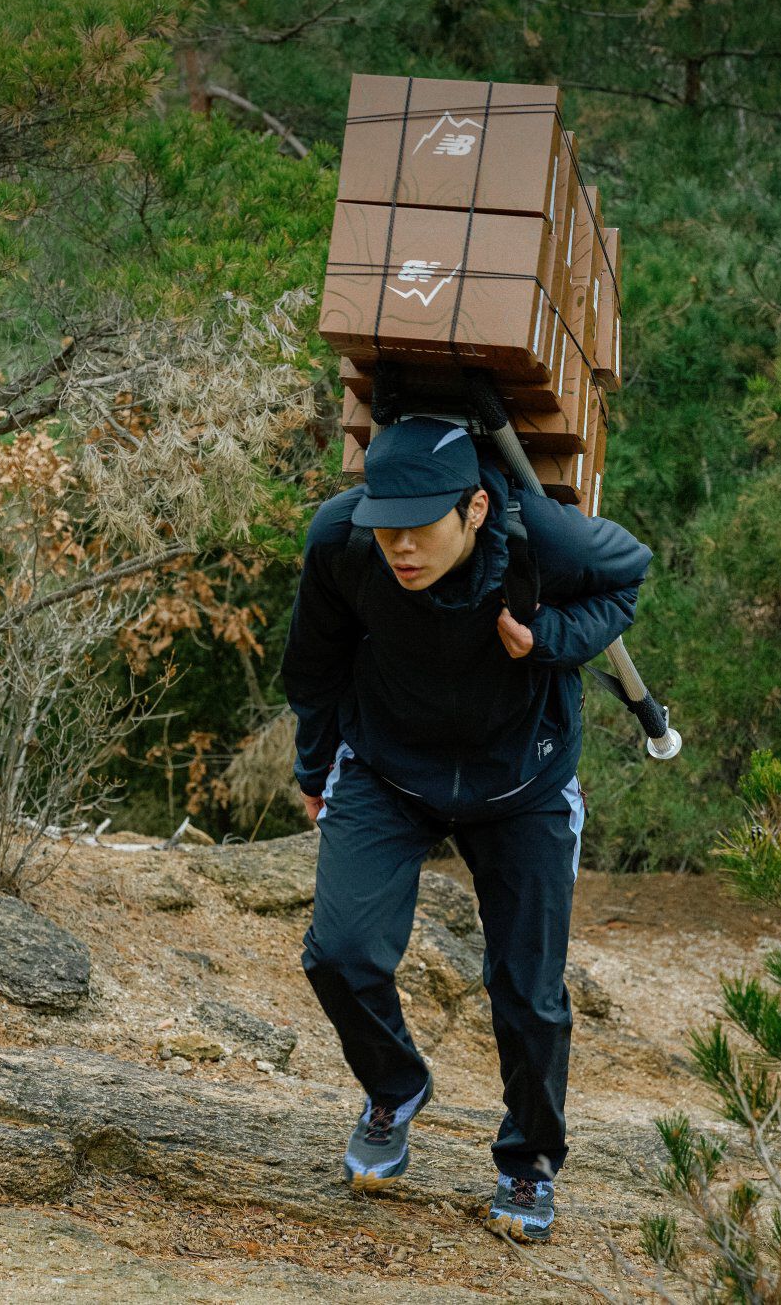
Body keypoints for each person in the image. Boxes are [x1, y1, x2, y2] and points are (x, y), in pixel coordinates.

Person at [280, 415, 652, 1242]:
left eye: (419, 529)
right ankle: (395, 1086)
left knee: (527, 990)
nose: (398, 548)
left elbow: (628, 577)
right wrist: (316, 770)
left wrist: (547, 637)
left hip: (524, 777)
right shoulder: (344, 539)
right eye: (386, 528)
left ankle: (527, 1164)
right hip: (387, 765)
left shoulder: (541, 538)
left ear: (475, 509)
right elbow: (314, 667)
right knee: (339, 951)